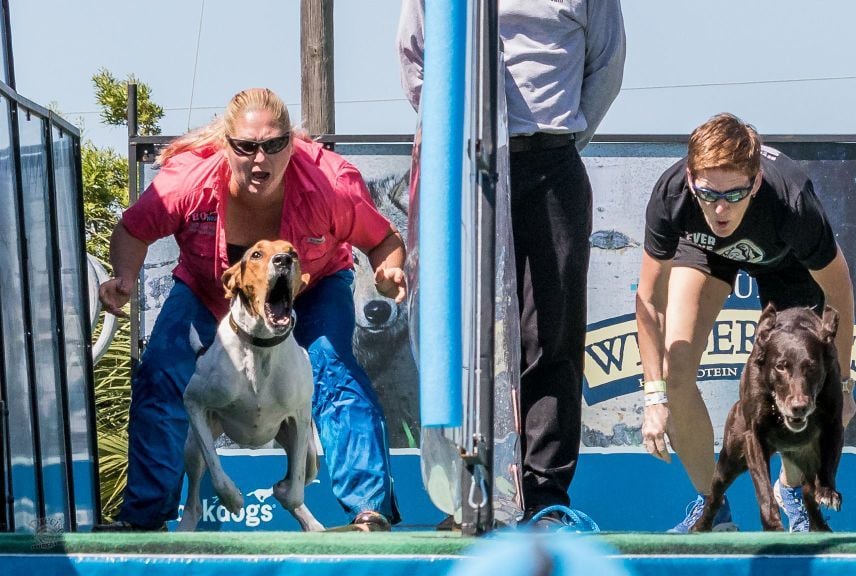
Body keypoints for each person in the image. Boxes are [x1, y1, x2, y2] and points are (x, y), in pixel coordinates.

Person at [95, 88, 405, 532]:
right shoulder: (188, 184)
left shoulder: (329, 187)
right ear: (227, 144)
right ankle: (144, 518)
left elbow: (383, 240)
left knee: (333, 370)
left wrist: (388, 272)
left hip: (310, 287)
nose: (261, 161)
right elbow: (132, 230)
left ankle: (369, 512)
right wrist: (124, 278)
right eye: (246, 147)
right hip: (209, 288)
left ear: (291, 145)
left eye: (275, 145)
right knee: (162, 369)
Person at [397, 0, 626, 528]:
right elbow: (415, 57)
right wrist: (456, 131)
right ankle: (470, 493)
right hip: (467, 164)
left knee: (550, 334)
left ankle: (545, 495)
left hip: (550, 163)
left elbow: (605, 69)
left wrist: (560, 136)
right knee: (462, 336)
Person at [635, 113, 856, 533]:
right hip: (704, 253)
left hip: (786, 265)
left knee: (800, 386)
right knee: (674, 371)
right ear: (690, 178)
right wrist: (653, 398)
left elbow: (839, 292)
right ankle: (713, 507)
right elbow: (648, 299)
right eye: (707, 194)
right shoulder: (672, 197)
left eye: (734, 194)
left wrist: (843, 384)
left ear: (755, 183)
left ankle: (791, 489)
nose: (720, 209)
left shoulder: (792, 204)